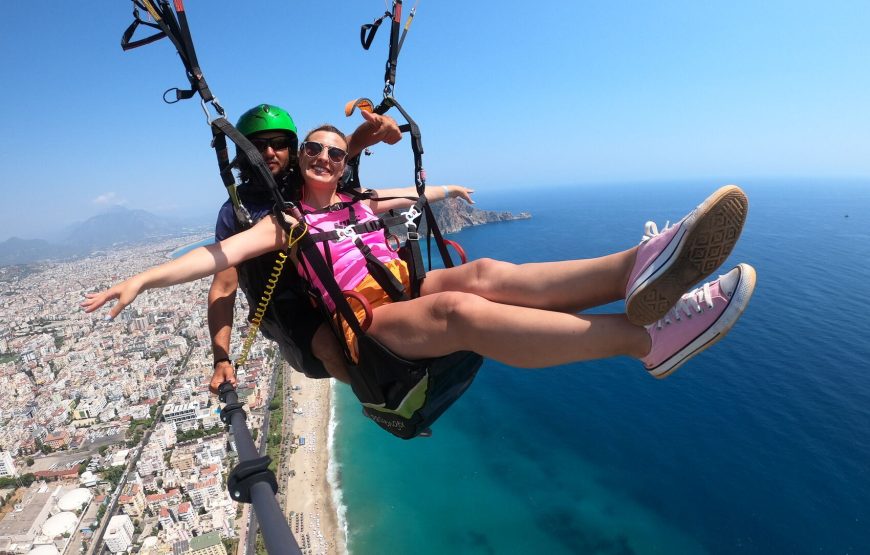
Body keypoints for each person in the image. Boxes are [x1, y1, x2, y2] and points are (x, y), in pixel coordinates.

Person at [82, 125, 757, 381]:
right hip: (366, 325)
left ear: (343, 164)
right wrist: (143, 278)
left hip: (402, 291)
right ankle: (646, 341)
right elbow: (213, 255)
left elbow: (401, 192)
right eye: (312, 150)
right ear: (298, 166)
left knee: (487, 271)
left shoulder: (356, 201)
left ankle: (637, 266)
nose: (321, 157)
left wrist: (448, 186)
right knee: (462, 311)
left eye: (333, 152)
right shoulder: (283, 222)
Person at [208, 104, 474, 392]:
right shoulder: (237, 213)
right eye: (258, 146)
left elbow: (345, 147)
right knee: (329, 347)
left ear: (292, 149)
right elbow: (223, 288)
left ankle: (421, 364)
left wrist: (376, 128)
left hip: (333, 281)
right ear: (243, 154)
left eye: (280, 144)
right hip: (285, 302)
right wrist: (221, 357)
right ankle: (381, 399)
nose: (270, 152)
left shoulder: (307, 179)